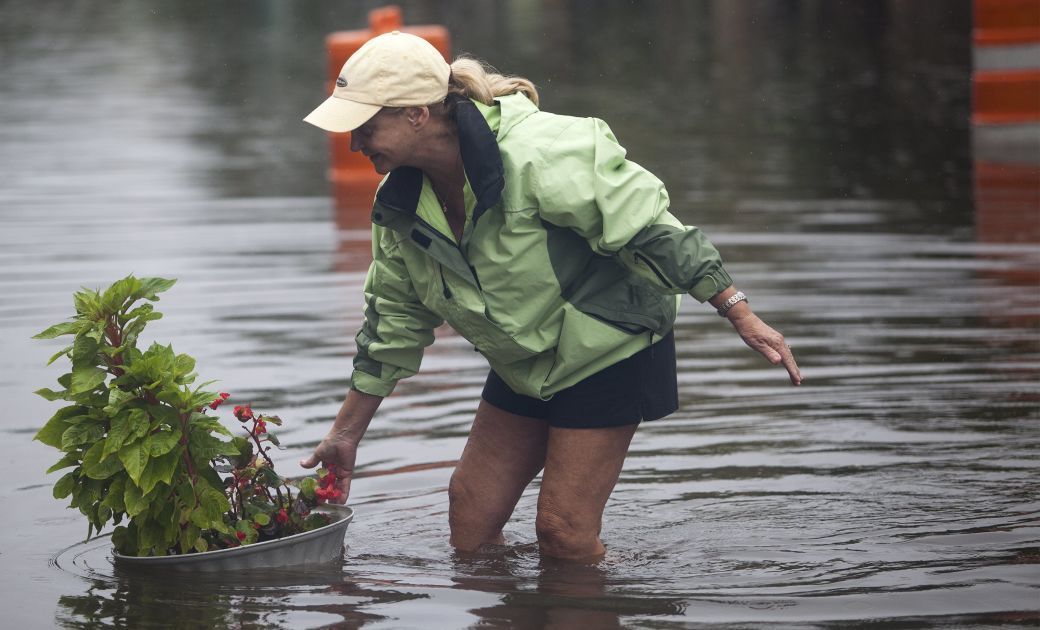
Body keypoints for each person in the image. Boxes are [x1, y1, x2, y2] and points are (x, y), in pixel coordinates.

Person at [299, 31, 802, 561]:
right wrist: (345, 434)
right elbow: (393, 320)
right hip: (526, 356)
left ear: (418, 114)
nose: (355, 144)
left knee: (562, 532)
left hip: (609, 346)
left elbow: (649, 229)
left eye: (366, 127)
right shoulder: (398, 203)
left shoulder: (540, 150)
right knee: (469, 519)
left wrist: (736, 310)